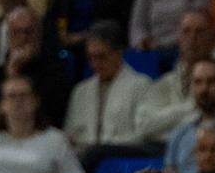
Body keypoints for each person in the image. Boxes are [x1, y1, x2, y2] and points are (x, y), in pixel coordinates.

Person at [135, 10, 215, 145]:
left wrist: (166, 125)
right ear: (178, 38)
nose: (192, 38)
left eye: (200, 32)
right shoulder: (166, 81)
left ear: (213, 38)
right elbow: (143, 126)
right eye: (186, 31)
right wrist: (191, 108)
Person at [64, 20, 153, 155]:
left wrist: (105, 148)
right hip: (83, 158)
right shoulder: (81, 90)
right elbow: (70, 134)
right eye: (91, 58)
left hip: (120, 158)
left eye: (101, 57)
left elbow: (143, 134)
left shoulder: (141, 85)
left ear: (119, 53)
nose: (95, 64)